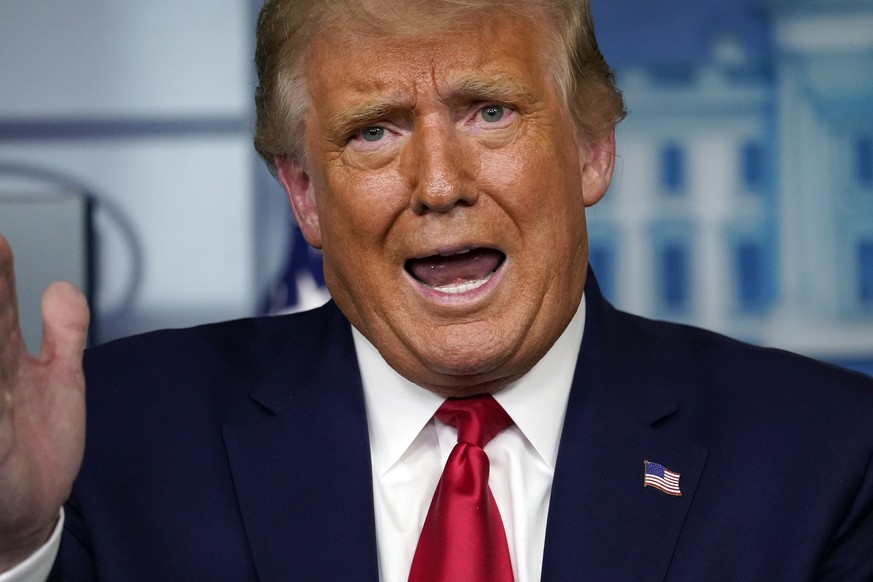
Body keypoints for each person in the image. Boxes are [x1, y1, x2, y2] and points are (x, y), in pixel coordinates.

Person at [1, 0, 872, 579]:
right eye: (373, 131)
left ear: (592, 149)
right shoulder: (115, 439)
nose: (439, 184)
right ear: (303, 192)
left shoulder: (823, 455)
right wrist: (17, 549)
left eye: (488, 112)